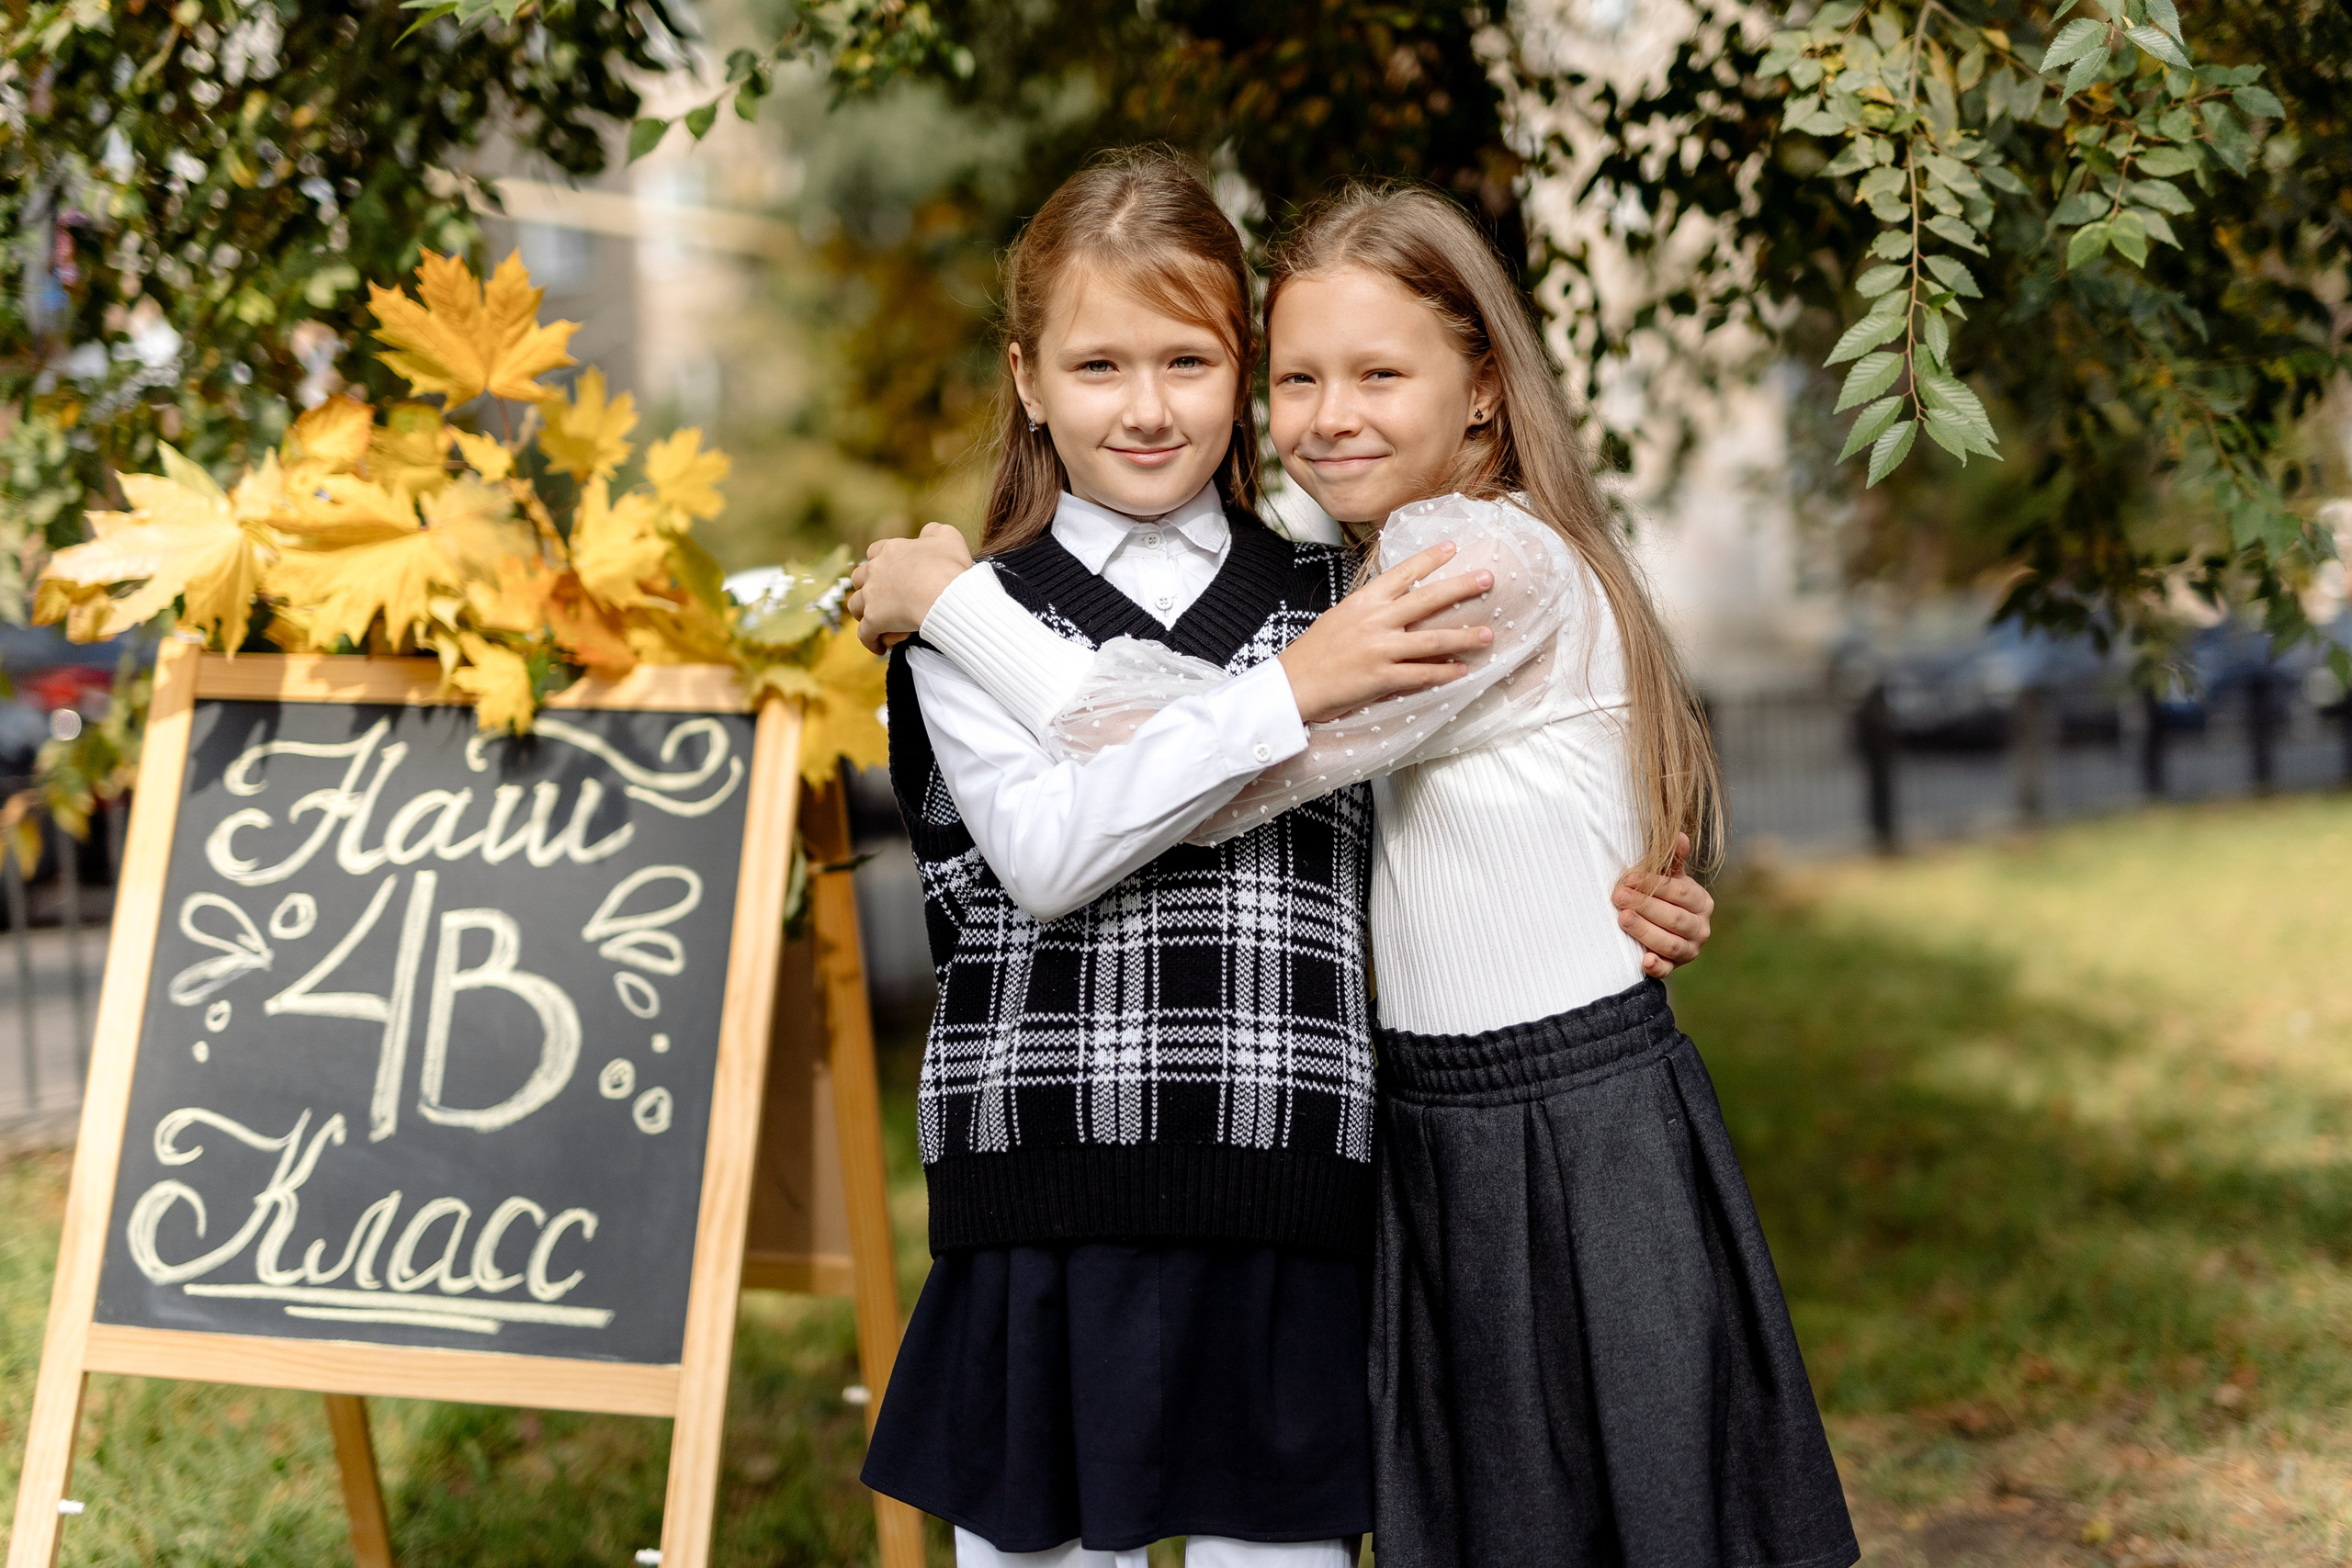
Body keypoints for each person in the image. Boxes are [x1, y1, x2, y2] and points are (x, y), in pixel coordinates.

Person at [852, 183, 1853, 1568]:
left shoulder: (1385, 590)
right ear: (1027, 381)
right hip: (1077, 1181)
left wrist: (961, 606)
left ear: (1485, 390)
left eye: (1194, 362)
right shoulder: (1334, 597)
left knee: (1595, 1499)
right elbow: (1051, 848)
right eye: (1307, 377)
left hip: (1346, 1164)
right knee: (1505, 1500)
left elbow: (1274, 769)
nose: (1332, 413)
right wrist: (977, 620)